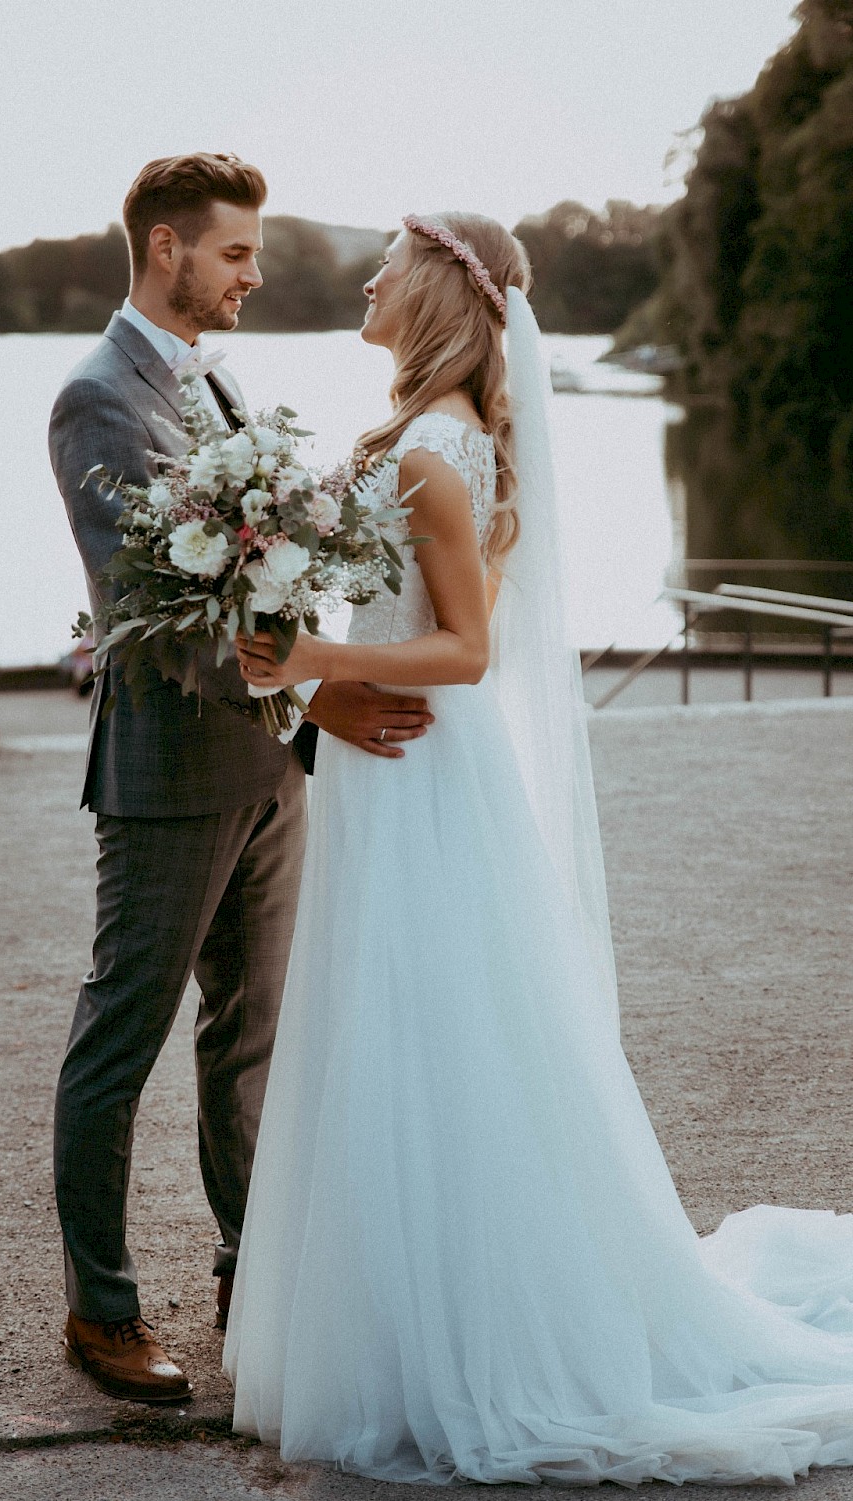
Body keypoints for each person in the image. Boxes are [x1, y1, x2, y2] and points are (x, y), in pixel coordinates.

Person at [224, 212, 853, 1484]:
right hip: (386, 766)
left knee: (428, 1033)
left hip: (420, 775)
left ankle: (465, 1333)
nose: (366, 276)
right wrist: (292, 657)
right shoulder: (419, 435)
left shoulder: (435, 454)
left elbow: (466, 648)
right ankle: (405, 1315)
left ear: (442, 295)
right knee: (395, 1027)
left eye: (388, 263)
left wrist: (313, 657)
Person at [48, 153, 433, 1405]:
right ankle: (101, 1315)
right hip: (168, 771)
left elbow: (254, 568)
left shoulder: (215, 382)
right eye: (233, 254)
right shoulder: (94, 398)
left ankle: (249, 1276)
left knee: (249, 1037)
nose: (253, 275)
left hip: (269, 768)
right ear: (165, 250)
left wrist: (302, 696)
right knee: (122, 1036)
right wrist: (318, 685)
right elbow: (158, 609)